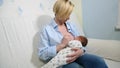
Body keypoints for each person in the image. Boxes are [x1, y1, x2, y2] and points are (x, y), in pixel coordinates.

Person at [38, 0, 108, 68]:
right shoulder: (46, 30)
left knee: (99, 61)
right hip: (62, 60)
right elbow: (42, 54)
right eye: (67, 15)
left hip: (78, 56)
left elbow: (81, 43)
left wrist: (81, 50)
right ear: (60, 13)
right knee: (75, 67)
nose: (69, 18)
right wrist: (61, 45)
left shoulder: (71, 26)